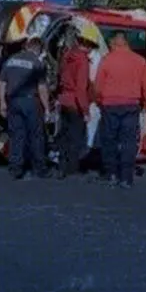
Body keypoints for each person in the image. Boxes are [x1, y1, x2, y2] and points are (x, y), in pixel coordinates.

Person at [95, 31, 146, 189]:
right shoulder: (140, 61)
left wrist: (99, 102)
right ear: (126, 43)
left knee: (109, 140)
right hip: (131, 106)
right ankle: (126, 178)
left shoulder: (107, 60)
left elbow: (98, 87)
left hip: (110, 105)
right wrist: (145, 104)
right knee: (129, 142)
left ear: (114, 43)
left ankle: (111, 174)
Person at [0, 36, 50, 180]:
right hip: (30, 102)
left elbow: (2, 83)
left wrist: (2, 103)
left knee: (16, 135)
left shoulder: (11, 60)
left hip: (13, 101)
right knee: (36, 136)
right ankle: (39, 168)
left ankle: (15, 168)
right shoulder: (37, 63)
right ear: (38, 50)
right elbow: (41, 87)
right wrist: (46, 108)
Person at [55, 28, 95, 179]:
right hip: (75, 103)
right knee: (76, 136)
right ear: (88, 45)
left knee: (64, 135)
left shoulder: (67, 56)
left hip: (64, 100)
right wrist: (85, 111)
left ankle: (61, 165)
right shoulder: (82, 61)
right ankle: (71, 168)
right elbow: (80, 88)